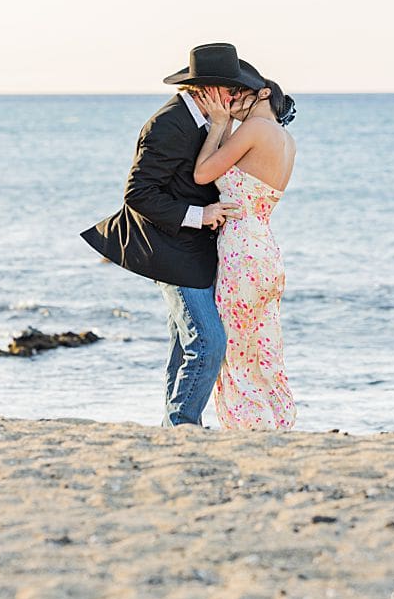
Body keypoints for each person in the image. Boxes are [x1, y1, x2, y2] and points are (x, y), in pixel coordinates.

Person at [80, 43, 261, 426]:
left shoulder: (211, 121)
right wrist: (202, 214)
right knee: (209, 342)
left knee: (185, 345)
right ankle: (183, 425)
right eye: (232, 91)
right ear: (207, 91)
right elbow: (138, 194)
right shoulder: (168, 124)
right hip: (169, 248)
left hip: (195, 249)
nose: (236, 99)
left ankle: (172, 428)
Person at [191, 77, 297, 429]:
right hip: (266, 251)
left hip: (242, 253)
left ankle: (248, 430)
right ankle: (277, 424)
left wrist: (220, 123)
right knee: (264, 350)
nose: (232, 99)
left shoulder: (254, 128)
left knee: (236, 352)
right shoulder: (285, 140)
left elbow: (203, 173)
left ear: (263, 94)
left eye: (240, 94)